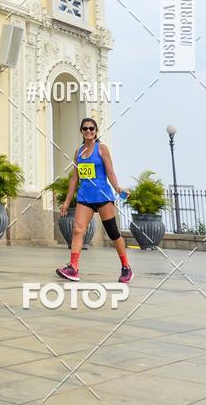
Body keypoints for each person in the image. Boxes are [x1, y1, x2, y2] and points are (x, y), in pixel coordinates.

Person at [56, 117, 133, 284]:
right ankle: (73, 267)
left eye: (92, 128)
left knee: (113, 233)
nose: (88, 131)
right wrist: (67, 202)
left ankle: (126, 267)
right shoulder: (78, 152)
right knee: (77, 229)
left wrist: (117, 188)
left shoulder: (102, 149)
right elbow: (74, 178)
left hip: (103, 196)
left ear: (96, 131)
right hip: (85, 197)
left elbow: (110, 172)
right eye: (85, 128)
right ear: (81, 131)